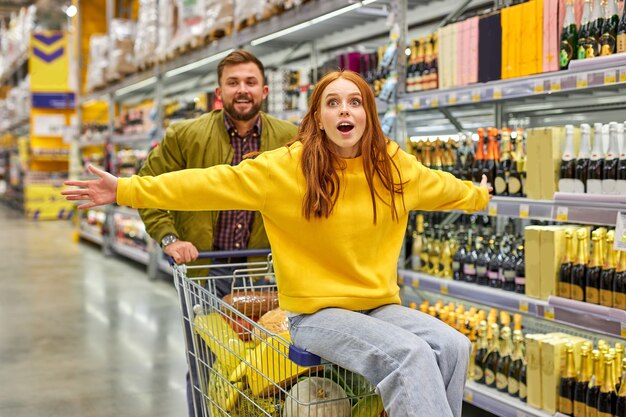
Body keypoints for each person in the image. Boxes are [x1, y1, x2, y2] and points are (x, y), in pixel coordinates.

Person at [63, 69, 492, 417]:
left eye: (355, 101)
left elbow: (446, 188)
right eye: (333, 102)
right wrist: (124, 190)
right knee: (409, 355)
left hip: (378, 305)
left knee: (454, 344)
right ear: (319, 117)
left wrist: (482, 194)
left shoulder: (395, 168)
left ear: (369, 115)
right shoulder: (286, 169)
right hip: (315, 313)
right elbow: (205, 184)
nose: (345, 110)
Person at [134, 49, 297, 416]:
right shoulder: (185, 136)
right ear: (219, 92)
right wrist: (170, 238)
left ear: (265, 90)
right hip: (207, 273)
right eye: (233, 82)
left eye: (250, 82)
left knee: (269, 367)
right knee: (209, 364)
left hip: (266, 273)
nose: (243, 90)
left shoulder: (290, 139)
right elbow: (147, 185)